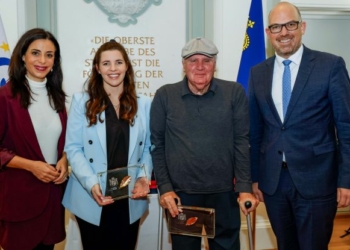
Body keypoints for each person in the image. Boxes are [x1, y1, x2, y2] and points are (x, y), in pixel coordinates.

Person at [249, 2, 350, 250]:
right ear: (268, 33)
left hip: (317, 180)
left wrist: (346, 180)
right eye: (276, 27)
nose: (284, 32)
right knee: (285, 245)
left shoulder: (330, 66)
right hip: (273, 184)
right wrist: (254, 179)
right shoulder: (257, 73)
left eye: (290, 25)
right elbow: (255, 130)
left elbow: (346, 127)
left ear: (302, 27)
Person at [150, 37, 259, 250]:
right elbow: (157, 145)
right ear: (183, 64)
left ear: (215, 64)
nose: (200, 67)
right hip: (181, 197)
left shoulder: (234, 93)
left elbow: (242, 141)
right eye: (193, 60)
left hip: (224, 194)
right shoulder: (165, 95)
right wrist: (165, 188)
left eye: (206, 60)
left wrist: (245, 187)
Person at [62, 39, 153, 250]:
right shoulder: (81, 102)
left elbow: (149, 147)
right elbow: (73, 148)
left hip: (129, 195)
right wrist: (92, 183)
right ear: (97, 68)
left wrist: (143, 176)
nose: (113, 69)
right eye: (106, 63)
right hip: (92, 193)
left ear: (127, 66)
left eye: (118, 62)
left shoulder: (144, 103)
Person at [0, 28, 68, 250]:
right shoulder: (5, 97)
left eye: (49, 55)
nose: (42, 60)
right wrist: (30, 166)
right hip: (18, 200)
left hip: (52, 198)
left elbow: (62, 143)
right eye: (35, 53)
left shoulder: (57, 97)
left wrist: (65, 161)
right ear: (22, 56)